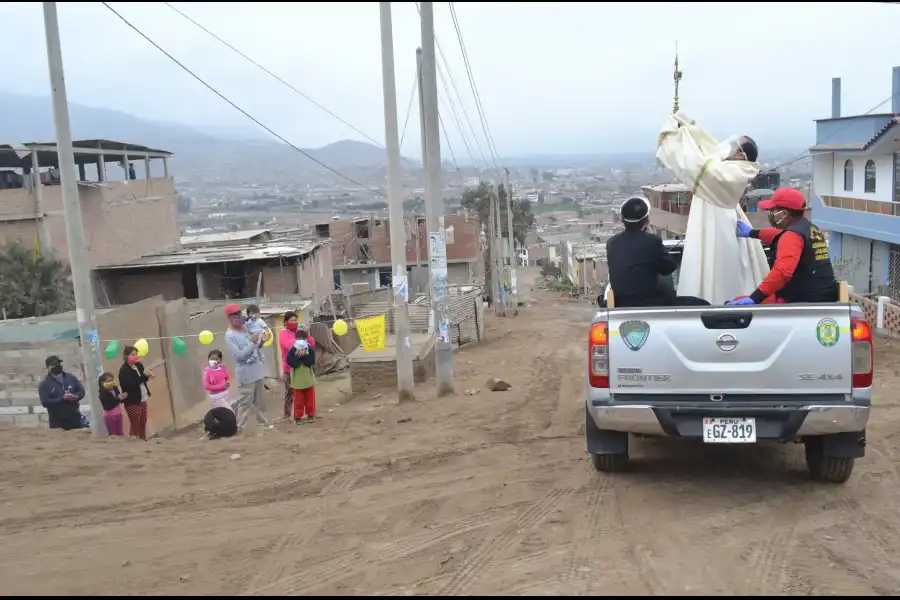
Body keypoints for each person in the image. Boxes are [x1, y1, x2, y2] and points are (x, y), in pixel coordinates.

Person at [729, 188, 837, 305]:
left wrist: (754, 298)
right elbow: (779, 236)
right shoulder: (809, 228)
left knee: (737, 302)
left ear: (784, 214)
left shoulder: (792, 236)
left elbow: (782, 273)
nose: (769, 214)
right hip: (822, 296)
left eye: (771, 210)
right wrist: (752, 232)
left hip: (802, 302)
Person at [606, 196, 709, 308]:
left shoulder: (612, 243)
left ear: (623, 220)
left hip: (622, 304)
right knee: (703, 305)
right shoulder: (651, 241)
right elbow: (668, 269)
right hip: (652, 303)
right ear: (646, 220)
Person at [224, 303, 273, 430]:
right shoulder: (229, 335)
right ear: (229, 318)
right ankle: (241, 427)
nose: (238, 317)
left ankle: (263, 423)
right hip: (245, 373)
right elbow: (240, 356)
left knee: (260, 400)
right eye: (234, 315)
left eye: (239, 314)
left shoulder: (246, 327)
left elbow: (257, 347)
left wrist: (262, 341)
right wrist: (252, 342)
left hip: (257, 368)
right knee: (245, 401)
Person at [278, 311, 316, 420]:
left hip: (303, 368)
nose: (294, 322)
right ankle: (287, 415)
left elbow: (312, 344)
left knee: (307, 391)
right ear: (286, 322)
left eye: (295, 320)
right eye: (291, 320)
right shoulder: (283, 333)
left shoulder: (301, 332)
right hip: (289, 368)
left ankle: (309, 413)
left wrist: (307, 335)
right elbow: (288, 345)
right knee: (290, 392)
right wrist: (301, 340)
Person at [38, 355, 86, 431]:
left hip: (75, 418)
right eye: (54, 365)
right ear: (48, 367)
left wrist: (74, 397)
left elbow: (81, 392)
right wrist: (62, 399)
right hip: (57, 422)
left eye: (58, 363)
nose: (57, 366)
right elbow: (45, 402)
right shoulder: (44, 384)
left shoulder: (71, 377)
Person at [118, 345, 153, 440]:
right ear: (126, 356)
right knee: (135, 422)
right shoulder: (124, 370)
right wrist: (144, 377)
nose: (135, 356)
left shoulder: (138, 365)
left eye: (136, 354)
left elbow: (142, 377)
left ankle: (143, 439)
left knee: (143, 420)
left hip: (143, 397)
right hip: (132, 400)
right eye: (132, 354)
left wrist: (148, 375)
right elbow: (130, 384)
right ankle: (134, 439)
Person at [287, 330, 317, 424]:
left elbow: (311, 362)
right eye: (299, 338)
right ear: (295, 339)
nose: (301, 340)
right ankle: (298, 417)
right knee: (298, 400)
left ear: (306, 339)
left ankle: (311, 415)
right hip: (297, 379)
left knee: (310, 398)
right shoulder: (292, 350)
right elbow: (291, 363)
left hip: (308, 377)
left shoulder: (310, 348)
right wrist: (298, 357)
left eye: (303, 338)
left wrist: (305, 356)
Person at [98, 372, 126, 437]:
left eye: (112, 381)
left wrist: (122, 397)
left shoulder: (115, 388)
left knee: (120, 433)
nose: (111, 383)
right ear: (102, 383)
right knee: (113, 435)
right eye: (108, 381)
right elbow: (108, 406)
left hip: (118, 413)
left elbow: (119, 397)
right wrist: (119, 399)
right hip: (110, 416)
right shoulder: (103, 393)